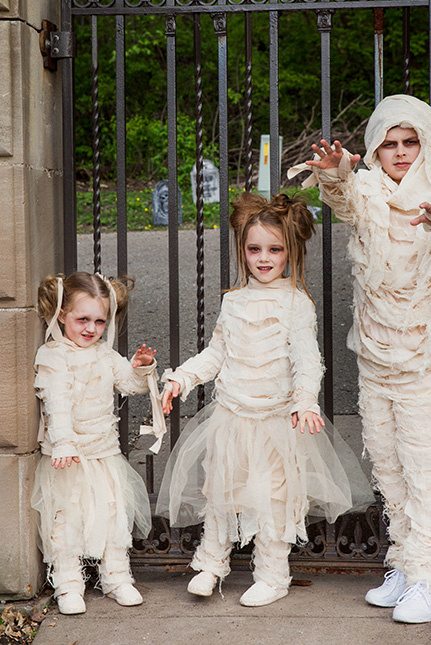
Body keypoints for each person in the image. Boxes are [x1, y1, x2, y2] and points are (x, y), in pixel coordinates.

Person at [287, 94, 431, 623]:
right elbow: (343, 197)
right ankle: (405, 562)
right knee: (390, 466)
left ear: (428, 144)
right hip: (376, 360)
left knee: (429, 469)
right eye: (389, 143)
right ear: (376, 148)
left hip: (429, 360)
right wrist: (335, 175)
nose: (400, 152)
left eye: (410, 141)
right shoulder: (367, 192)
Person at [155, 192, 373, 607]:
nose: (264, 258)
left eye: (275, 249)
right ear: (243, 251)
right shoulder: (232, 301)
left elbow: (308, 359)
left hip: (276, 420)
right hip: (232, 416)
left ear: (290, 252)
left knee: (274, 498)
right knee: (221, 490)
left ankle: (273, 574)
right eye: (254, 249)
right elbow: (217, 352)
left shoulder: (296, 303)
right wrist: (182, 377)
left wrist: (306, 400)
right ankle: (211, 564)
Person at [31, 272, 166, 615]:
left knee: (112, 514)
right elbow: (56, 402)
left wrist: (141, 368)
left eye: (99, 321)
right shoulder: (53, 356)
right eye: (82, 319)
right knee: (66, 519)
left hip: (103, 453)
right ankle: (67, 583)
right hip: (68, 457)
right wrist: (63, 443)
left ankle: (117, 576)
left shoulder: (106, 356)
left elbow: (130, 384)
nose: (91, 329)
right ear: (61, 314)